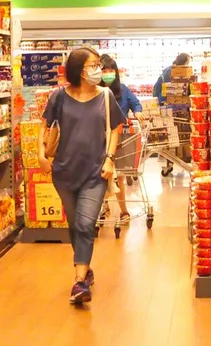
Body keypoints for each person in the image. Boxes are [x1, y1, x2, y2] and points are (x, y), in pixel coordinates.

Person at [38, 47, 125, 305]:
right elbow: (44, 128)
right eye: (92, 65)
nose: (98, 70)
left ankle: (78, 282)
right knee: (75, 225)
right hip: (64, 171)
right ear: (78, 70)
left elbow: (116, 129)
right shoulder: (59, 97)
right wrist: (42, 156)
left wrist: (109, 159)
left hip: (95, 171)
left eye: (98, 64)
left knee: (87, 224)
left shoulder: (106, 96)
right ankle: (85, 268)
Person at [100, 54, 142, 226]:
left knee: (120, 177)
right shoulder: (93, 90)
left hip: (121, 138)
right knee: (101, 176)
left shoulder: (122, 90)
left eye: (111, 70)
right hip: (99, 138)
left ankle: (123, 210)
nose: (108, 73)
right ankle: (104, 207)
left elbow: (135, 103)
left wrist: (138, 111)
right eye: (104, 70)